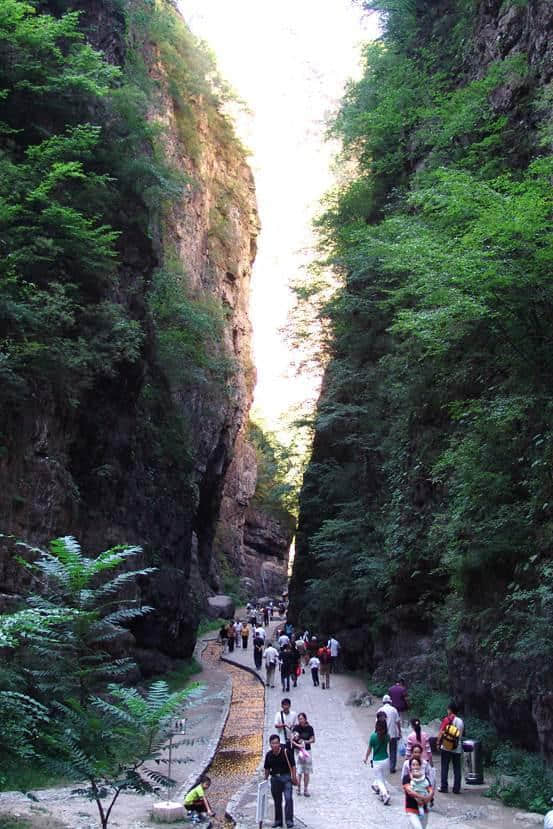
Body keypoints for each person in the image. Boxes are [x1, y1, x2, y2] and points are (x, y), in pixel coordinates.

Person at [264, 733, 296, 828]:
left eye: (277, 743)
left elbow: (293, 765)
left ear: (279, 743)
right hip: (275, 779)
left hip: (286, 778)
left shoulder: (286, 752)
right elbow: (267, 768)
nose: (275, 745)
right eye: (273, 743)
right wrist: (265, 779)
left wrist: (293, 777)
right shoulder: (269, 755)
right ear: (270, 744)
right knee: (277, 800)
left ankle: (289, 820)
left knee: (288, 798)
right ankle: (278, 821)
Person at [437, 701, 464, 794]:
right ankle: (456, 788)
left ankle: (444, 787)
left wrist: (437, 743)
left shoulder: (447, 719)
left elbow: (441, 732)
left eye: (448, 709)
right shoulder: (460, 721)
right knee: (457, 768)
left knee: (445, 767)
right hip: (457, 747)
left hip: (446, 747)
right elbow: (460, 734)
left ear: (450, 710)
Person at [363, 718, 391, 805]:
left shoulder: (373, 736)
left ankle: (385, 794)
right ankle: (382, 795)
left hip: (377, 761)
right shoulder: (387, 736)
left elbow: (369, 749)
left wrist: (365, 757)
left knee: (379, 779)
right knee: (383, 778)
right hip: (386, 759)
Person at [402, 756, 433, 828]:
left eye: (417, 764)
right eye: (413, 765)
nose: (416, 767)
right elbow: (410, 791)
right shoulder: (406, 778)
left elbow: (431, 791)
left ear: (420, 766)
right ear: (410, 767)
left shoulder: (425, 778)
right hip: (411, 809)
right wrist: (423, 797)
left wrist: (427, 798)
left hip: (424, 809)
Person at [291, 712, 315, 796]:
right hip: (298, 751)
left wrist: (305, 742)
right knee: (299, 770)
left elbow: (313, 739)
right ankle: (298, 788)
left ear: (305, 719)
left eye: (301, 719)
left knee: (307, 771)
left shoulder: (310, 728)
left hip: (307, 751)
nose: (300, 720)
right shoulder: (296, 728)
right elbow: (292, 740)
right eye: (299, 719)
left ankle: (305, 789)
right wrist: (299, 745)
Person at [377, 694, 402, 773]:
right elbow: (398, 722)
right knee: (393, 751)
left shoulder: (380, 710)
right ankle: (392, 767)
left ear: (383, 702)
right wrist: (399, 732)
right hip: (393, 734)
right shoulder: (394, 710)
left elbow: (377, 723)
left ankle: (382, 767)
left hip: (382, 734)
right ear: (390, 702)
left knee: (382, 750)